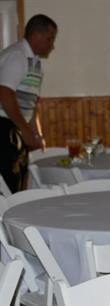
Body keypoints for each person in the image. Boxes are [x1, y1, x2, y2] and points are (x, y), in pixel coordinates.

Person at [0, 14, 57, 193]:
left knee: (17, 182)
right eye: (50, 38)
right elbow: (4, 93)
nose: (52, 44)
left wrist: (35, 132)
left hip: (14, 126)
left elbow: (30, 103)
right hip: (4, 127)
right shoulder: (17, 56)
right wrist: (24, 129)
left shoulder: (34, 61)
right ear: (36, 36)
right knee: (8, 183)